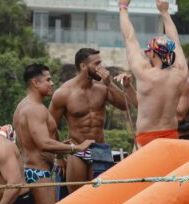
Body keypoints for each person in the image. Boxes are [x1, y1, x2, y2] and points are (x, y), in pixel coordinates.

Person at [13, 64, 93, 204]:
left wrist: (59, 153)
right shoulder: (35, 109)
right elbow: (43, 143)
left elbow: (34, 139)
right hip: (38, 173)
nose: (52, 83)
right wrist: (76, 148)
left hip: (28, 170)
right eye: (47, 80)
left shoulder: (23, 105)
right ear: (35, 83)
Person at [50, 49, 131, 193]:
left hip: (100, 149)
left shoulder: (102, 88)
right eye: (97, 63)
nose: (101, 67)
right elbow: (51, 127)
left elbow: (125, 106)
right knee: (76, 198)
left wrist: (110, 84)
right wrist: (59, 156)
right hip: (77, 149)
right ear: (83, 66)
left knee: (100, 197)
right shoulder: (63, 93)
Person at [118, 0, 189, 148]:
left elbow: (129, 37)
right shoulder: (181, 72)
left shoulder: (145, 73)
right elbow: (175, 40)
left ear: (153, 53)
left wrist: (123, 7)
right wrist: (164, 12)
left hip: (146, 139)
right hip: (171, 136)